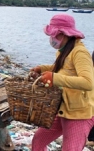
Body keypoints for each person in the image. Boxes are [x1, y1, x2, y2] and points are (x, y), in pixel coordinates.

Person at [30, 13, 94, 151]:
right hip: (63, 108)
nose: (52, 38)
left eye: (55, 35)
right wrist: (42, 69)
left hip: (79, 114)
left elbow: (88, 82)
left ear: (65, 34)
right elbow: (64, 69)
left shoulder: (80, 53)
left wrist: (54, 78)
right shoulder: (64, 51)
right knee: (38, 141)